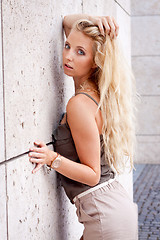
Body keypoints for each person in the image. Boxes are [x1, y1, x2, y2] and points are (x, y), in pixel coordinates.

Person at [28, 14, 138, 240]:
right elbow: (69, 21)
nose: (68, 56)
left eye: (81, 52)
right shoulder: (99, 96)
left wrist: (51, 158)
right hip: (114, 209)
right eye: (67, 46)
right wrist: (96, 21)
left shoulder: (79, 103)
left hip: (105, 216)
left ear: (96, 61)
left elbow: (92, 175)